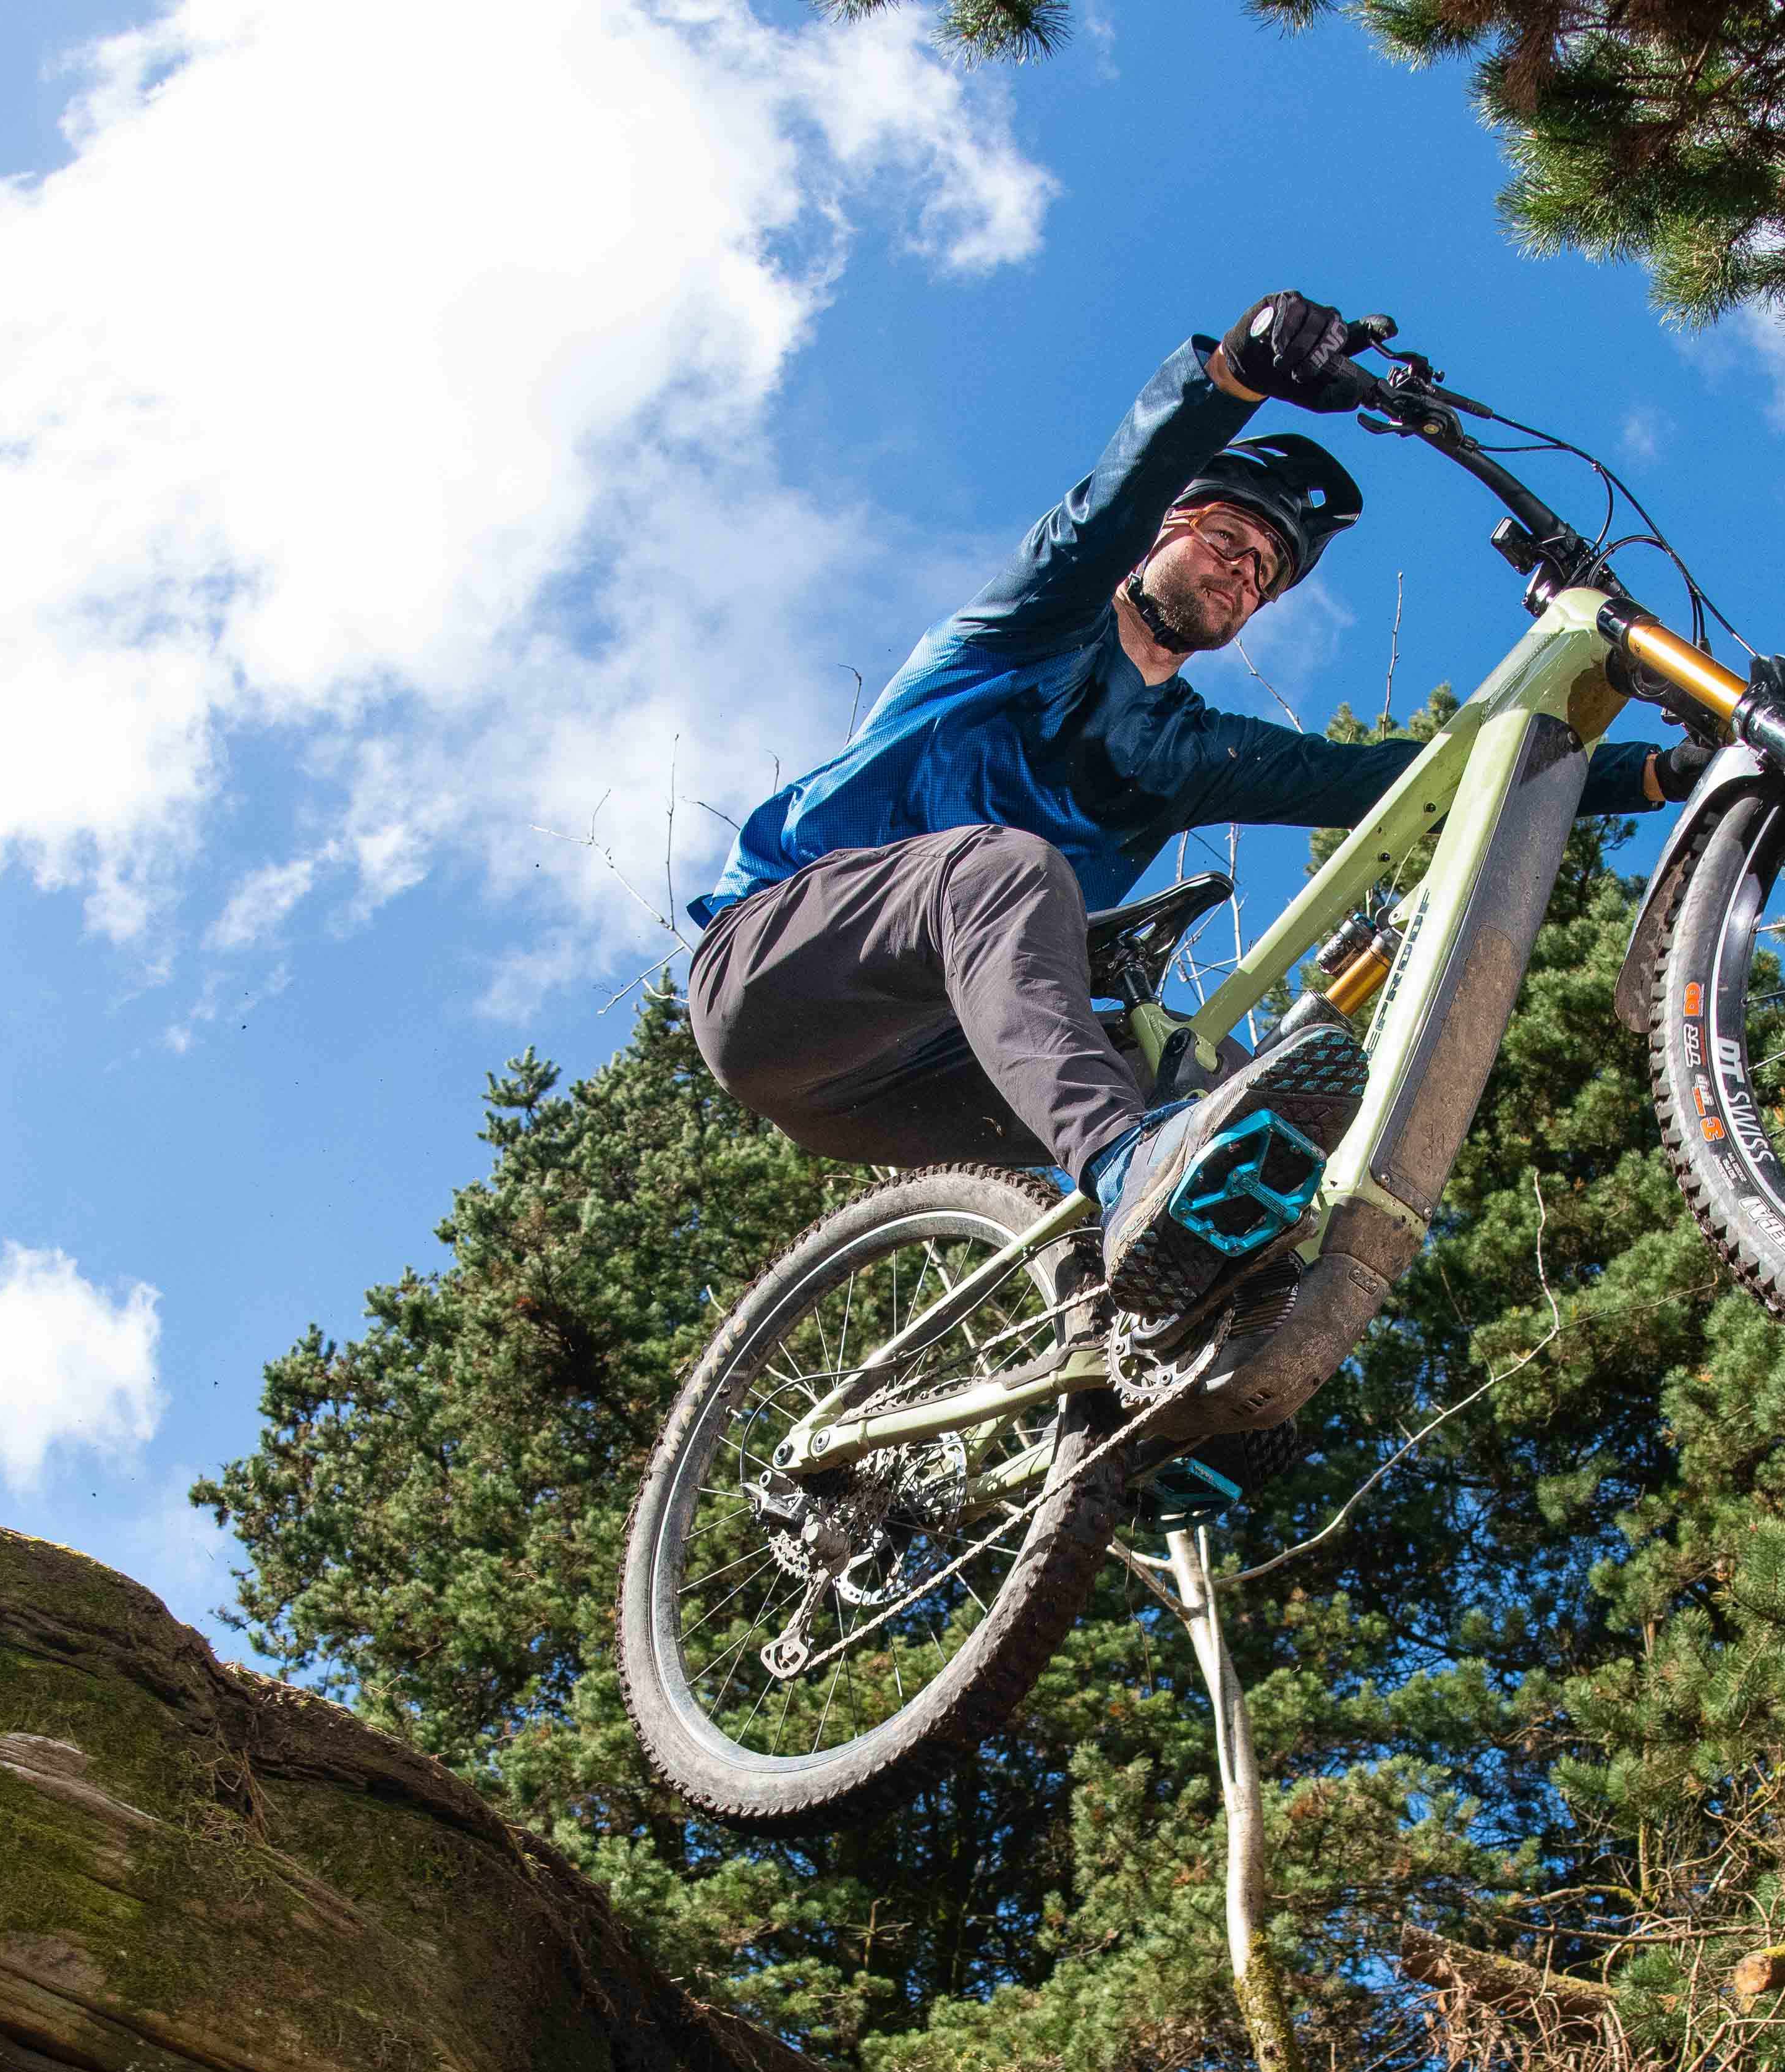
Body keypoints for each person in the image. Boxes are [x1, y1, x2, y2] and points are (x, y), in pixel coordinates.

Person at [682, 292, 1693, 1328]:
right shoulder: (1027, 630)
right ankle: (1125, 1170)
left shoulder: (1186, 752)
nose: (1238, 573)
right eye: (1223, 538)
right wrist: (1236, 376)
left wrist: (1658, 776)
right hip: (775, 982)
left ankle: (1190, 1366)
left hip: (916, 1075)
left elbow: (1413, 780)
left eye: (1262, 573)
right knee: (1007, 868)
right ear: (1167, 534)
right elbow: (1108, 505)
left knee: (1217, 1092)